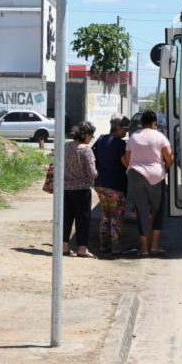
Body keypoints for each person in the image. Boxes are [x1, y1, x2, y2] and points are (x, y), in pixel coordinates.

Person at [124, 110, 174, 256]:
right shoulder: (160, 137)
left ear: (141, 123)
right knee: (157, 212)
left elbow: (127, 159)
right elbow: (169, 158)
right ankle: (154, 246)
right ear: (155, 123)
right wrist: (164, 168)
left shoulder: (133, 137)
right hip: (155, 176)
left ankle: (144, 248)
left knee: (141, 211)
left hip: (135, 175)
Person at [92, 115, 130, 255]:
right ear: (119, 128)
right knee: (116, 216)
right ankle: (115, 246)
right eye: (125, 129)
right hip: (116, 185)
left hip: (100, 183)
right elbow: (126, 164)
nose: (126, 132)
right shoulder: (120, 144)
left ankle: (103, 245)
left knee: (105, 214)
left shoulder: (100, 139)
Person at [63, 121, 97, 258]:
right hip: (82, 190)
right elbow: (92, 172)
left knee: (66, 218)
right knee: (82, 220)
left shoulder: (67, 146)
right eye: (92, 136)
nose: (92, 138)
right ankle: (82, 248)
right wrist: (97, 173)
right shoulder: (86, 150)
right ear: (87, 135)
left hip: (66, 189)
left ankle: (65, 246)